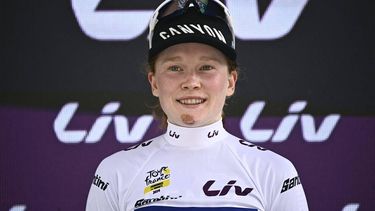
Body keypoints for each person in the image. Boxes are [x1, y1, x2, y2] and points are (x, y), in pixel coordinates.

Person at [86, 0, 309, 210]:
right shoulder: (115, 173)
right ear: (154, 82)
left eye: (206, 67)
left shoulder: (274, 172)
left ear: (231, 81)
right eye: (175, 68)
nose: (191, 82)